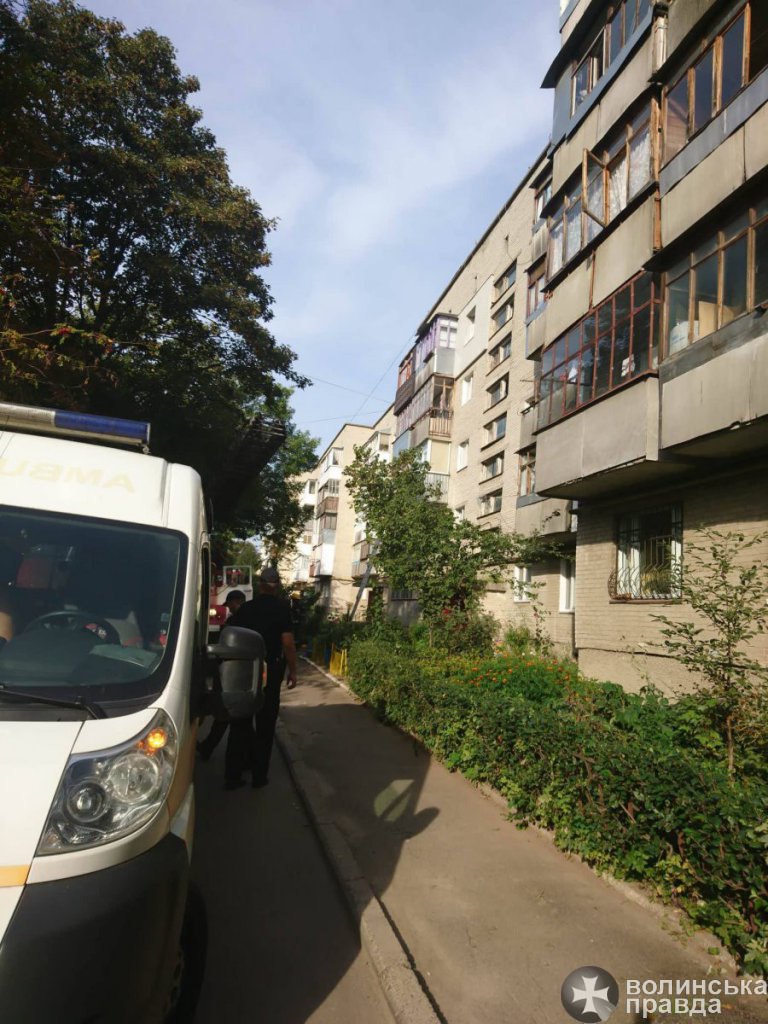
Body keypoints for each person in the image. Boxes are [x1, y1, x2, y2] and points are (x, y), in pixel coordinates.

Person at [226, 566, 298, 788]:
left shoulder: (246, 609)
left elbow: (231, 639)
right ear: (277, 586)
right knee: (265, 726)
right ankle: (259, 777)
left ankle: (233, 777)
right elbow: (287, 643)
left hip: (246, 671)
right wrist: (293, 671)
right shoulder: (282, 609)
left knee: (240, 723)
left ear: (260, 585)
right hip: (271, 671)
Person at [197, 590, 247, 762]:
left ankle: (239, 758)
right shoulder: (244, 618)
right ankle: (208, 747)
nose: (229, 609)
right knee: (225, 715)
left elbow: (223, 644)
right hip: (241, 672)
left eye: (230, 605)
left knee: (226, 715)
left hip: (231, 672)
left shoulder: (235, 621)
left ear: (236, 601)